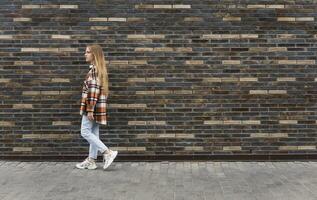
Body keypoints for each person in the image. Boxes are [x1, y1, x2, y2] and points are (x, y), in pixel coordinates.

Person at [76, 44, 118, 170]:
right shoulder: (99, 70)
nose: (85, 54)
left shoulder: (94, 71)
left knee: (85, 132)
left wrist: (89, 109)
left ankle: (107, 152)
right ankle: (92, 160)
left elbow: (92, 92)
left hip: (91, 107)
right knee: (93, 133)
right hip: (97, 108)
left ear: (94, 55)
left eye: (88, 52)